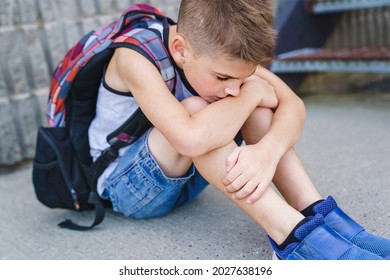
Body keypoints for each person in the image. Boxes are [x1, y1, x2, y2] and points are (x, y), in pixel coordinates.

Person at [88, 0, 390, 260]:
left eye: (238, 79)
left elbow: (293, 105)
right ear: (180, 50)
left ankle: (316, 215)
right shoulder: (133, 57)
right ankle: (293, 238)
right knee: (201, 110)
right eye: (222, 78)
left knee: (250, 106)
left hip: (186, 176)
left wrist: (267, 153)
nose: (232, 88)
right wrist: (253, 92)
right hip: (127, 186)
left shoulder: (224, 51)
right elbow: (190, 139)